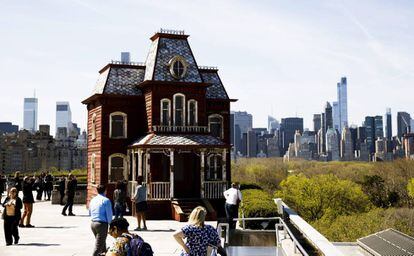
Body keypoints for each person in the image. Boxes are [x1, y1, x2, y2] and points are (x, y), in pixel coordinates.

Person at [89, 184, 113, 256]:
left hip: (93, 223)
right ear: (105, 191)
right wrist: (110, 223)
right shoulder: (106, 200)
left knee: (102, 243)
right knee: (99, 246)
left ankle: (104, 254)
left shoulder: (93, 199)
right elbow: (109, 213)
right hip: (102, 224)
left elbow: (90, 212)